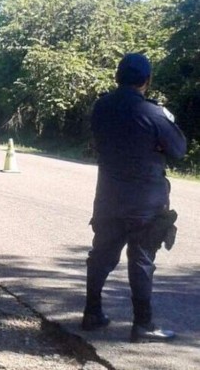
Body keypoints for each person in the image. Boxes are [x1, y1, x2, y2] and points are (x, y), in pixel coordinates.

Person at [82, 53, 187, 342]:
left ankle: (92, 314)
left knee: (101, 256)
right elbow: (178, 150)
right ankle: (143, 325)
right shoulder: (153, 113)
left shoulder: (101, 108)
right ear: (147, 80)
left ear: (117, 77)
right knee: (141, 260)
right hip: (145, 203)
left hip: (108, 198)